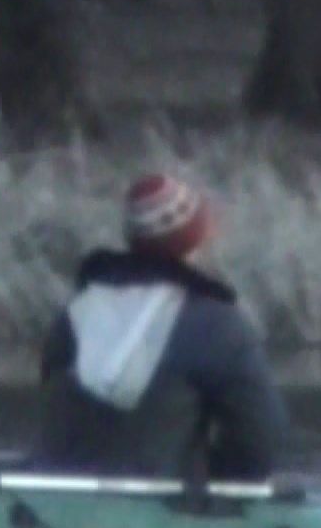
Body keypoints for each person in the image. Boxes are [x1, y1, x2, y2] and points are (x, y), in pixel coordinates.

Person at [33, 173, 288, 484]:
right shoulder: (218, 327)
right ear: (196, 239)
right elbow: (260, 445)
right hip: (159, 516)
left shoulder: (73, 316)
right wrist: (210, 480)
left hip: (51, 505)